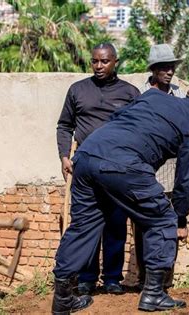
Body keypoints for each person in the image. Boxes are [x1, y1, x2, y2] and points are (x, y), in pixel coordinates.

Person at [51, 72, 189, 314]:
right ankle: (154, 294)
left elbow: (117, 118)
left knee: (84, 225)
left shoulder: (152, 97)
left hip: (87, 154)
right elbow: (187, 181)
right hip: (123, 163)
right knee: (163, 218)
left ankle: (63, 298)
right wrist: (179, 218)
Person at [56, 43, 140, 295]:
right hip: (84, 167)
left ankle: (113, 279)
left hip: (117, 167)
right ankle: (87, 278)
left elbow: (138, 129)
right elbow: (64, 125)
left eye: (104, 61)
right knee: (86, 223)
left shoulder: (130, 92)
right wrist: (63, 156)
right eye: (95, 61)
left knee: (116, 223)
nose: (99, 66)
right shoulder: (78, 90)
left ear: (115, 62)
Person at [134, 43, 185, 290]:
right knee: (144, 228)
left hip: (172, 173)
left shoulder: (179, 94)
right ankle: (145, 278)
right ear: (153, 70)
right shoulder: (140, 95)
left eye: (172, 67)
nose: (169, 72)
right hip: (146, 172)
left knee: (170, 227)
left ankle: (165, 279)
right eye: (164, 67)